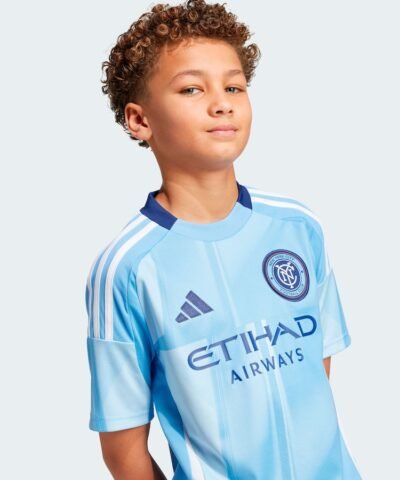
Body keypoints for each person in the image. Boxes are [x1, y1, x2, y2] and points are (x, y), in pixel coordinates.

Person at [84, 0, 363, 478]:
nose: (222, 103)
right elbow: (123, 449)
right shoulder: (127, 269)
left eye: (233, 86)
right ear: (140, 120)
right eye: (192, 88)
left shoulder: (298, 227)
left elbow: (313, 379)